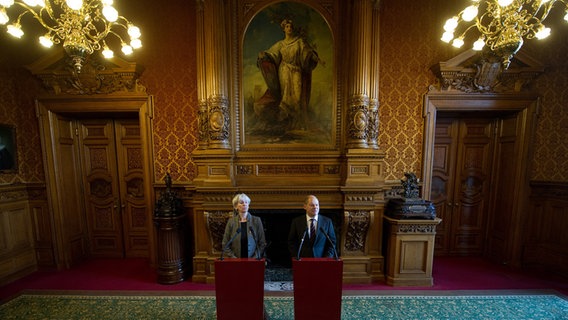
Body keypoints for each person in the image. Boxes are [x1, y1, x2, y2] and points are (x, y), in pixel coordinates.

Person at [254, 19, 320, 134]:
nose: (290, 28)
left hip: (296, 70)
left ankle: (297, 123)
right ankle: (287, 123)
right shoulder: (280, 44)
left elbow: (306, 54)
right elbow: (271, 54)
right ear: (284, 29)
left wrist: (312, 56)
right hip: (284, 71)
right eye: (287, 26)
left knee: (297, 97)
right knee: (285, 96)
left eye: (291, 26)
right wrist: (263, 55)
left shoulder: (299, 42)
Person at [222, 193, 267, 259]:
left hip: (253, 260)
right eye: (241, 202)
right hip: (236, 260)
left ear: (248, 205)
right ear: (236, 206)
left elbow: (262, 243)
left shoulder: (256, 220)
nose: (244, 204)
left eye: (246, 202)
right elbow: (225, 243)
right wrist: (234, 258)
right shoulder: (231, 221)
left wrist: (254, 258)